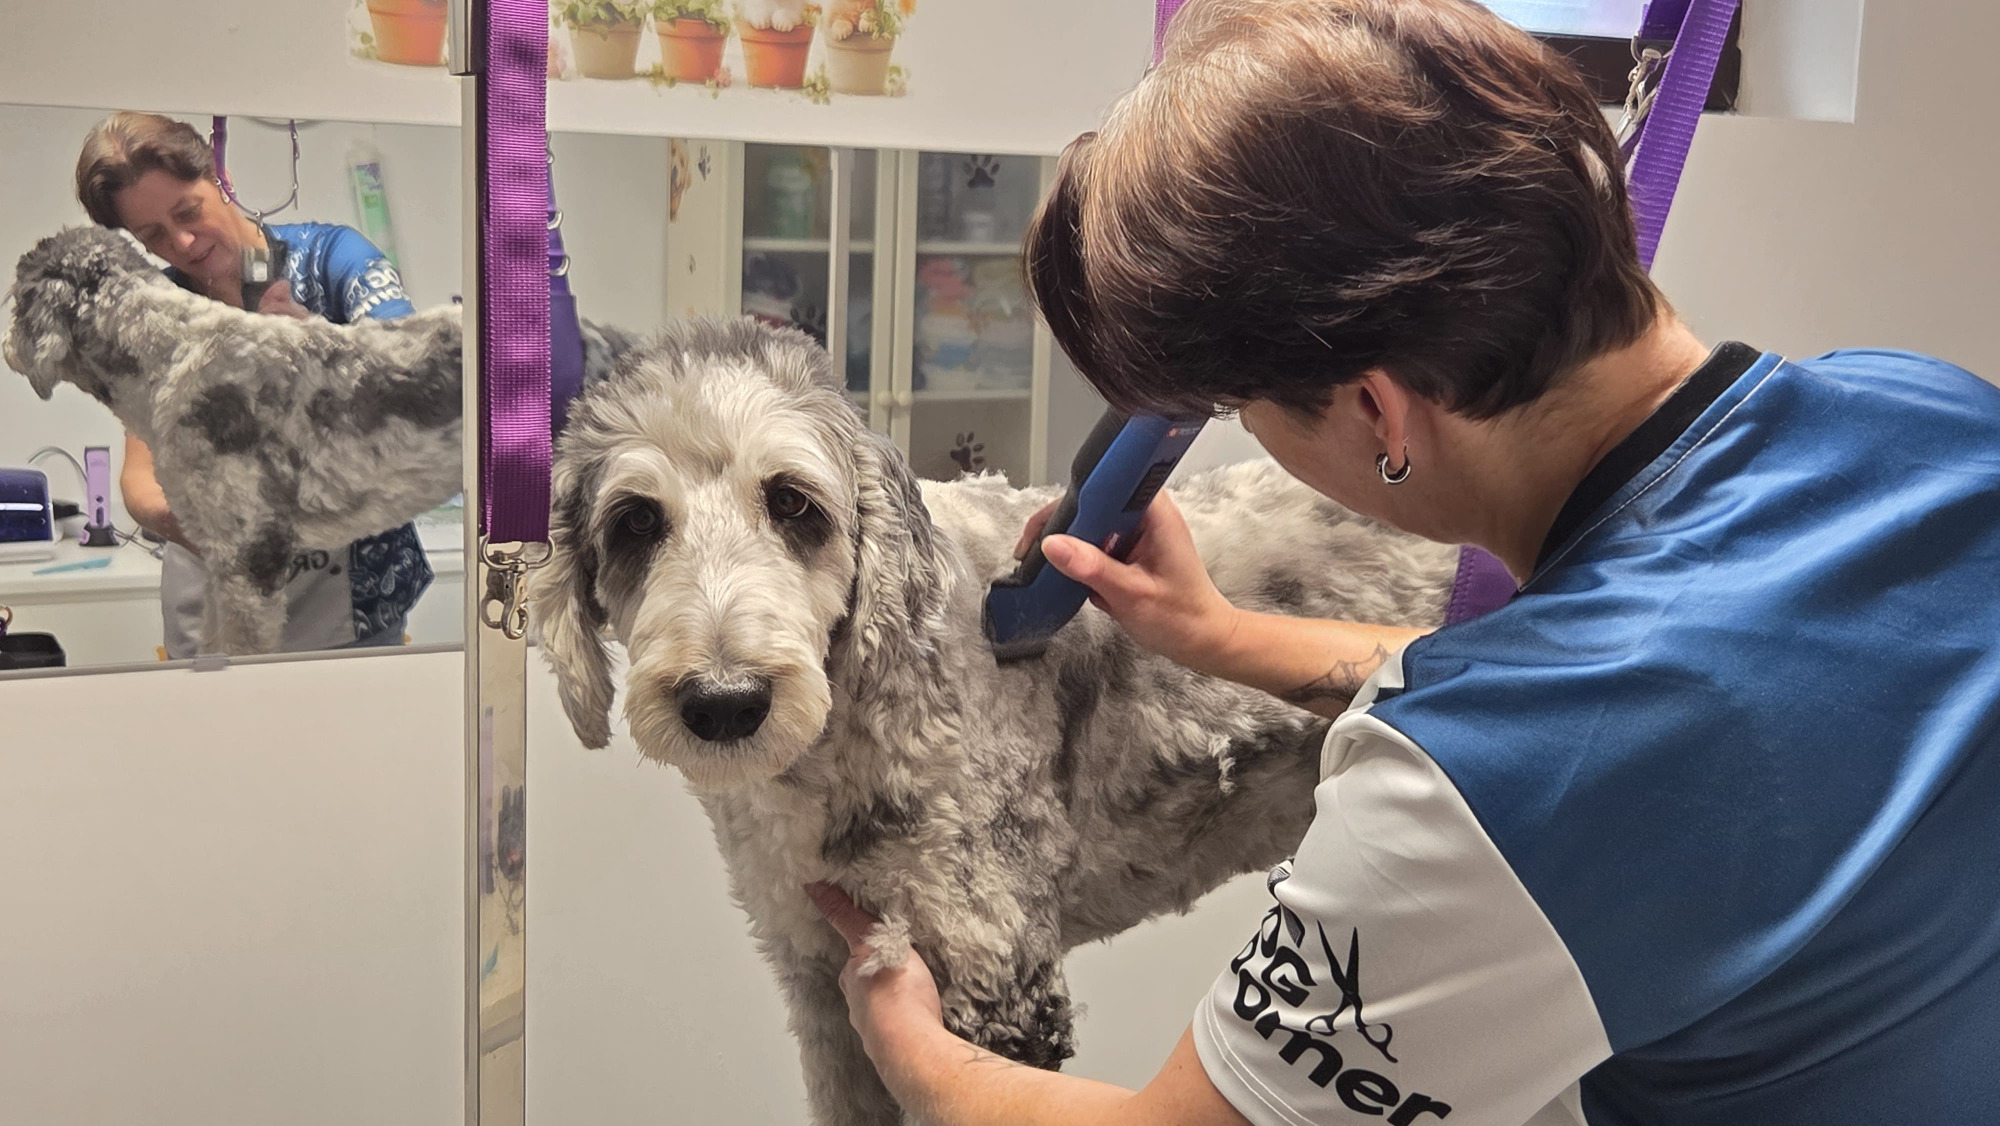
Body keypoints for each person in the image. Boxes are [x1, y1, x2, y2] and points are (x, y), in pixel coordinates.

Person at [805, 1, 2000, 1123]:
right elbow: (1664, 694)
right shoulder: (1926, 414)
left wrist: (907, 1038)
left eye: (1242, 411)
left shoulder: (1477, 795)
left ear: (1377, 412)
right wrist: (1220, 637)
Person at [74, 111, 433, 657]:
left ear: (221, 178)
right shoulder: (153, 313)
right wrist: (198, 527)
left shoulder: (335, 262)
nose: (183, 241)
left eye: (187, 212)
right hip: (211, 607)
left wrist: (320, 352)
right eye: (153, 235)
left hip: (349, 615)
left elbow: (416, 391)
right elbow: (139, 476)